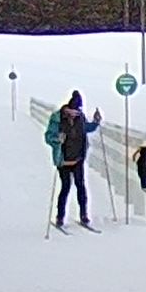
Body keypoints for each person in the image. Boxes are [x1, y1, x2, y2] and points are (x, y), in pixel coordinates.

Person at [43, 91, 98, 231]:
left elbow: (86, 128)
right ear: (68, 108)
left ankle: (84, 215)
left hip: (78, 159)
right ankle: (60, 217)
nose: (75, 114)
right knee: (65, 187)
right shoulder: (57, 118)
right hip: (64, 161)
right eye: (73, 112)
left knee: (81, 187)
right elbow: (48, 136)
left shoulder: (80, 117)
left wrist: (96, 122)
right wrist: (57, 138)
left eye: (77, 112)